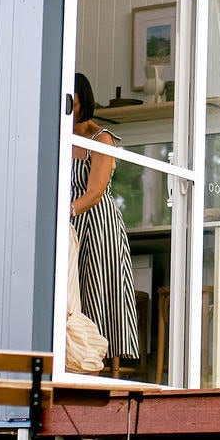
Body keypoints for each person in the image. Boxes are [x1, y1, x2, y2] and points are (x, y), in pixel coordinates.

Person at [69, 73, 140, 363]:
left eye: (70, 100)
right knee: (72, 292)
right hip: (70, 223)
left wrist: (66, 212)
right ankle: (76, 358)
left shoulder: (102, 138)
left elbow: (95, 192)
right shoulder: (59, 136)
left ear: (81, 100)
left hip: (97, 223)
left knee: (97, 284)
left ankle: (103, 361)